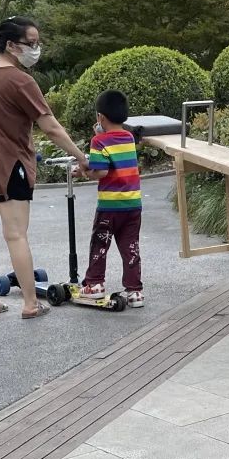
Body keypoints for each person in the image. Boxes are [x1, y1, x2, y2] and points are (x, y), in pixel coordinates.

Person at [0, 17, 89, 320]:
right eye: (31, 43)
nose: (36, 49)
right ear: (11, 45)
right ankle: (30, 304)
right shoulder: (20, 80)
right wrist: (81, 156)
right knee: (16, 235)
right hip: (9, 165)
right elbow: (50, 127)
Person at [77, 90, 143, 307]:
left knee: (100, 244)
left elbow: (101, 171)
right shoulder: (129, 138)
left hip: (109, 206)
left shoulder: (99, 141)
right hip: (133, 205)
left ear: (100, 117)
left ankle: (95, 284)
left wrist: (83, 172)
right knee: (130, 247)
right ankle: (135, 292)